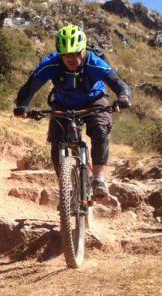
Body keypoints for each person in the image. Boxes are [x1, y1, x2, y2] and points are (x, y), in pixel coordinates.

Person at [14, 24, 131, 198]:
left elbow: (119, 84)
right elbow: (30, 86)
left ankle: (98, 179)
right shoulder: (50, 64)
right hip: (63, 104)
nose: (71, 59)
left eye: (75, 53)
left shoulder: (95, 62)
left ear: (83, 50)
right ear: (59, 54)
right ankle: (66, 187)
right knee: (56, 142)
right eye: (65, 55)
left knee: (100, 130)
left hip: (94, 101)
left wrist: (123, 98)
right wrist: (23, 105)